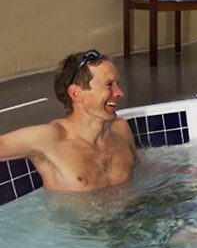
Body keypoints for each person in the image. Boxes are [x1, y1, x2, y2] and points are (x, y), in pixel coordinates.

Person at [0, 50, 136, 191]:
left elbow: (144, 172)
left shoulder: (121, 129)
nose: (119, 93)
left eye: (117, 84)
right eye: (109, 85)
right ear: (76, 93)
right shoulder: (49, 139)